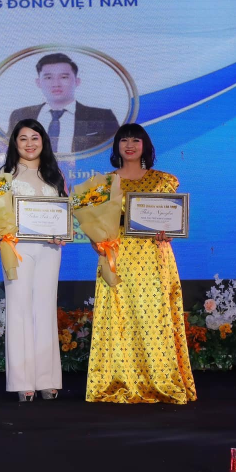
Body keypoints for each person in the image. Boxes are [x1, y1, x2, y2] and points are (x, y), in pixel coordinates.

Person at [85, 123, 197, 404]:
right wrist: (97, 240)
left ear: (145, 145)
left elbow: (171, 219)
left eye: (136, 140)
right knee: (119, 318)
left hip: (152, 257)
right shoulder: (104, 183)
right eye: (124, 140)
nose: (130, 145)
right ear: (116, 147)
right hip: (118, 256)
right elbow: (94, 223)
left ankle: (161, 380)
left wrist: (168, 231)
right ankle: (118, 381)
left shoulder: (162, 181)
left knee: (154, 319)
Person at [0, 120, 67, 402]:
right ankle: (22, 381)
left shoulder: (55, 174)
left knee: (45, 308)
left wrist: (62, 232)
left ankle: (46, 379)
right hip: (17, 249)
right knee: (19, 310)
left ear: (43, 141)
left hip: (50, 250)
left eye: (35, 137)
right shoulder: (5, 175)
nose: (29, 144)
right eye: (23, 138)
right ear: (15, 143)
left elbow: (64, 212)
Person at [7, 52, 119, 154]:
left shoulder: (102, 117)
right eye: (48, 77)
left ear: (77, 81)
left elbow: (115, 154)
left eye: (64, 77)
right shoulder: (20, 116)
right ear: (38, 82)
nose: (56, 84)